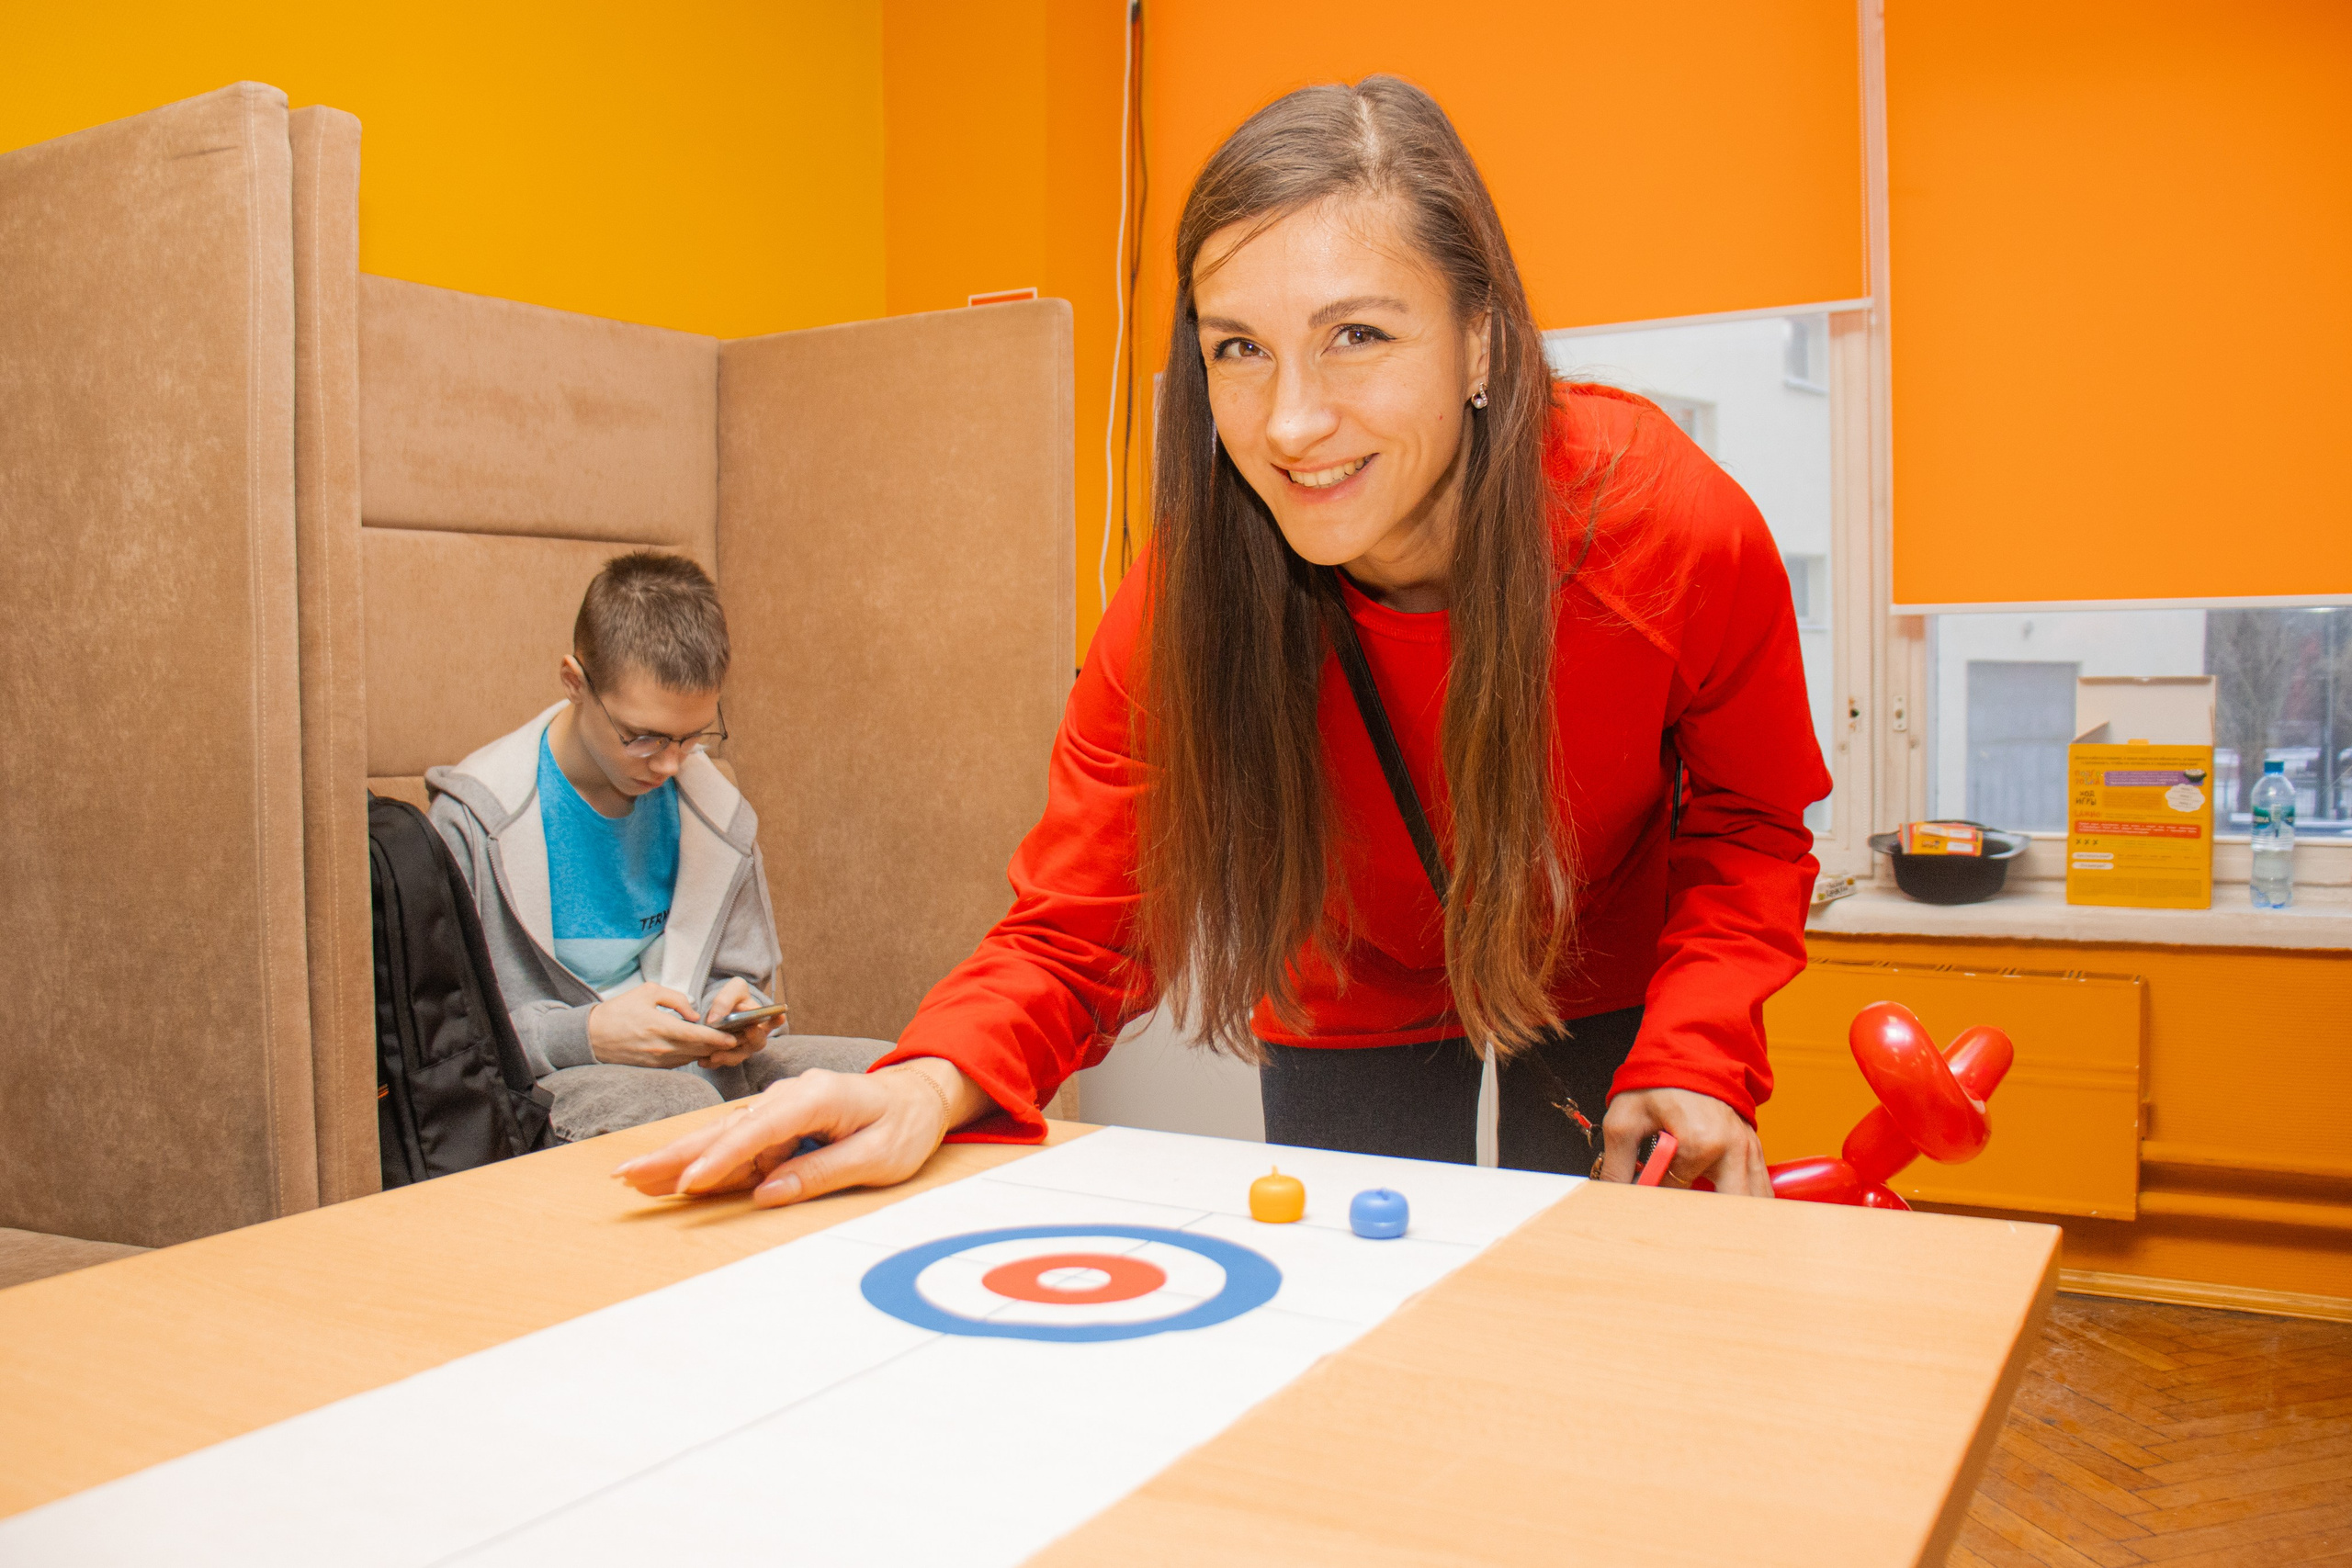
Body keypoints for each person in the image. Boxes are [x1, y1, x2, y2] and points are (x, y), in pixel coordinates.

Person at [617, 76, 1828, 1205]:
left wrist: (1702, 1044)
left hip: (1609, 977)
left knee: (1601, 1340)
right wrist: (926, 1078)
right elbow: (1078, 917)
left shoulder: (1668, 528)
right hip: (1346, 998)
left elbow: (1749, 822)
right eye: (1238, 347)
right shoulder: (1188, 596)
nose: (1292, 423)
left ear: (1481, 343)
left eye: (1358, 334)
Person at [430, 550, 888, 1142]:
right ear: (574, 682)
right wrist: (587, 1034)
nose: (670, 764)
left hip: (694, 1074)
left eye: (692, 736)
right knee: (675, 1105)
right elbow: (446, 1044)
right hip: (548, 1079)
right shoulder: (473, 821)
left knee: (892, 1077)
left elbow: (739, 979)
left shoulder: (714, 812)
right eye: (641, 737)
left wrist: (738, 1016)